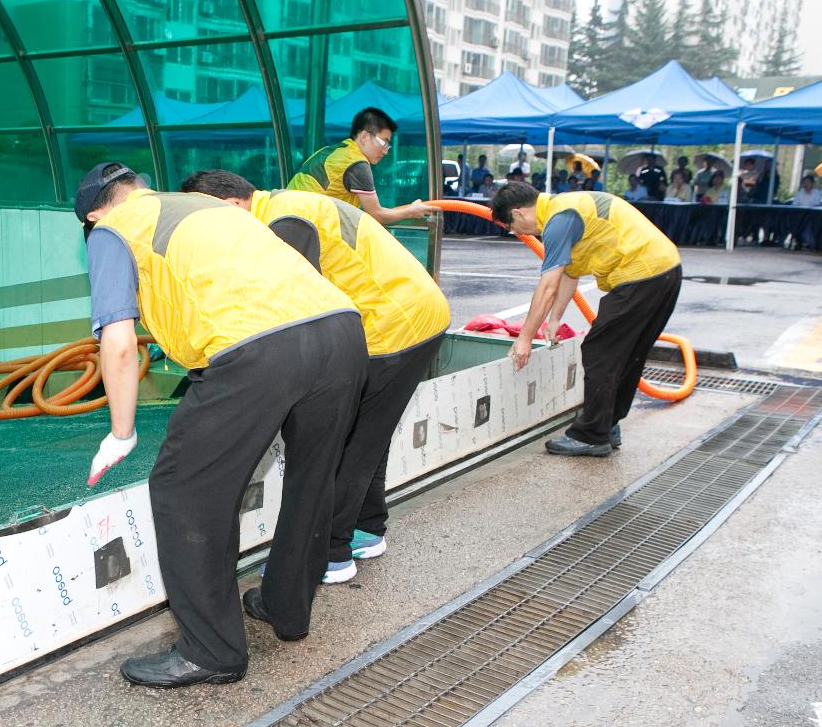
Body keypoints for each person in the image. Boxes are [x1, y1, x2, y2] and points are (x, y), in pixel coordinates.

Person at [76, 162, 367, 688]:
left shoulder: (110, 230)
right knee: (313, 477)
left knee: (185, 489)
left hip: (260, 348)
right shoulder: (207, 208)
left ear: (95, 213)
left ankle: (211, 651)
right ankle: (288, 610)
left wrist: (122, 434)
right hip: (342, 332)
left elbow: (117, 343)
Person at [180, 170, 451, 585]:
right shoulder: (289, 205)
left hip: (390, 328)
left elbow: (290, 309)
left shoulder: (285, 223)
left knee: (344, 448)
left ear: (230, 204)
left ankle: (331, 553)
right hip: (414, 314)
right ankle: (369, 528)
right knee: (369, 438)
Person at [490, 182, 682, 457]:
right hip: (665, 271)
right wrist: (554, 319)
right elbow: (570, 273)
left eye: (509, 225)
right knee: (627, 354)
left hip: (641, 275)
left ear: (518, 213)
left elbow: (548, 286)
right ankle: (606, 424)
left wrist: (525, 338)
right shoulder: (565, 209)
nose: (513, 232)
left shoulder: (559, 220)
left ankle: (591, 436)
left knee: (599, 351)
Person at [288, 108, 433, 223]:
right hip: (303, 226)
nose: (385, 151)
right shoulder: (357, 164)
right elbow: (377, 215)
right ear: (364, 136)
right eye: (383, 142)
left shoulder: (333, 151)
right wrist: (411, 211)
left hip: (288, 218)